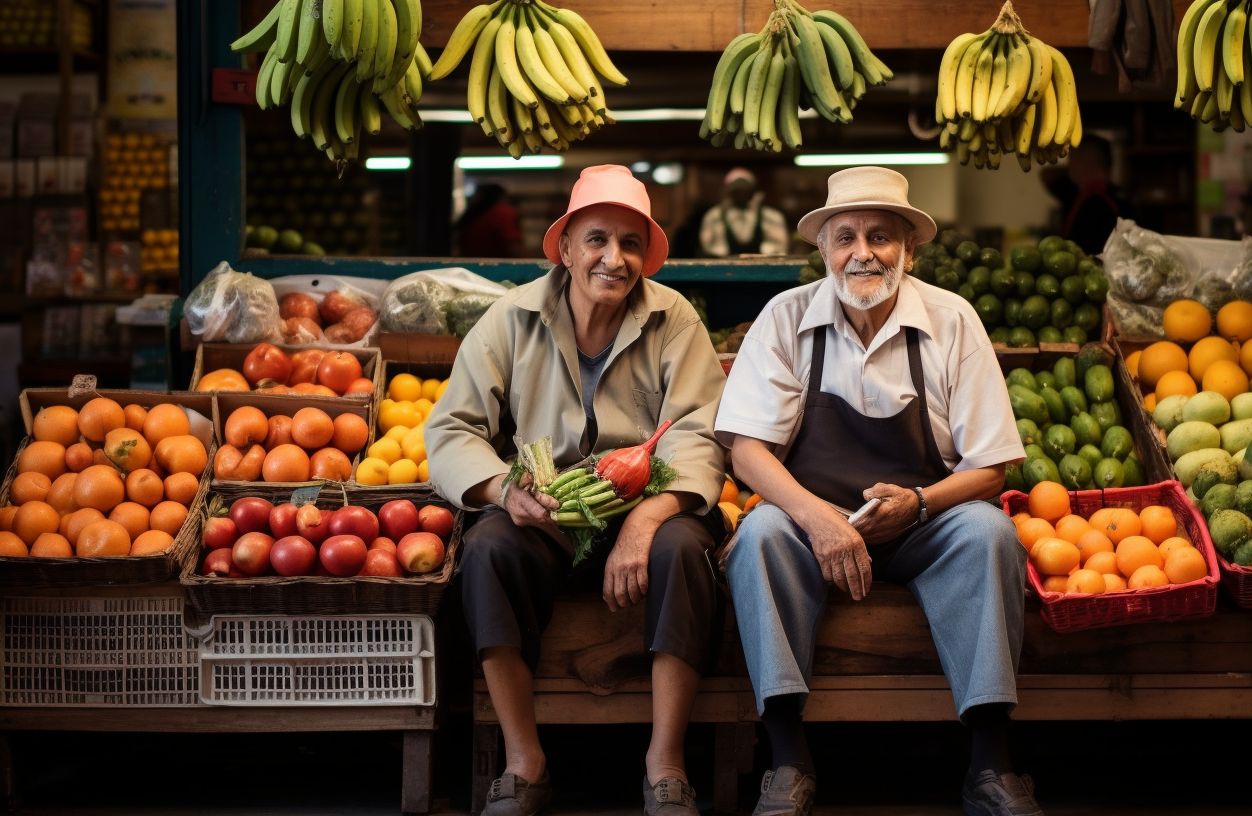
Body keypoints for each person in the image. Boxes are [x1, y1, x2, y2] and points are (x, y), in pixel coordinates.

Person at [714, 166, 1041, 816]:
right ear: (824, 251)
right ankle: (785, 759)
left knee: (990, 532)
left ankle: (991, 763)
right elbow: (746, 449)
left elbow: (991, 468)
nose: (862, 252)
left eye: (880, 237)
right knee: (758, 534)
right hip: (816, 529)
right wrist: (818, 520)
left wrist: (918, 505)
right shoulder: (784, 319)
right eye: (845, 237)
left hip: (925, 523)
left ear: (909, 250)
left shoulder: (953, 321)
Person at [425, 165, 727, 816]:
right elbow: (451, 427)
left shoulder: (674, 320)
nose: (613, 260)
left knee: (682, 547)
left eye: (630, 244)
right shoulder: (510, 320)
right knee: (487, 551)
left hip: (644, 505)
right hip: (550, 508)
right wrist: (504, 491)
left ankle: (665, 764)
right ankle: (523, 761)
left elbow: (699, 432)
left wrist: (647, 521)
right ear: (565, 249)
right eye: (596, 240)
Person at [1040, 133, 1126, 254]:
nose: (1069, 163)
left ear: (1086, 160)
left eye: (1072, 157)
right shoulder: (1074, 192)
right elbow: (1046, 175)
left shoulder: (1113, 202)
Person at [698, 167, 790, 257]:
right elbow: (708, 248)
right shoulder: (714, 216)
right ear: (728, 191)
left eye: (745, 190)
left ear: (753, 190)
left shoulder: (771, 216)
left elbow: (779, 248)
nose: (741, 194)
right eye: (736, 190)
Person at [456, 182, 525, 257]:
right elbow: (513, 247)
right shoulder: (502, 212)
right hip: (498, 265)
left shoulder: (474, 214)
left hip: (470, 264)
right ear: (501, 197)